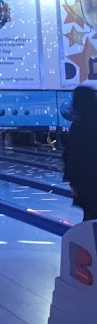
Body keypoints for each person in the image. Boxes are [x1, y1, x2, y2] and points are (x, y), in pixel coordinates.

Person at [63, 83, 97, 221]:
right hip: (87, 181)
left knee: (90, 218)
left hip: (86, 183)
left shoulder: (78, 126)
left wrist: (72, 182)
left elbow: (72, 156)